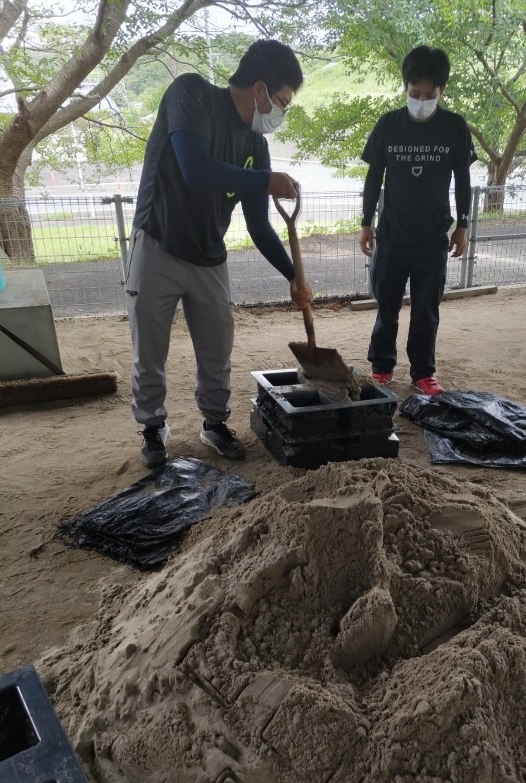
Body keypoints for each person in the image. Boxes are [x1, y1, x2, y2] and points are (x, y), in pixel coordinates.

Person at [126, 39, 313, 468]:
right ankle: (153, 428)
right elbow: (196, 169)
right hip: (159, 241)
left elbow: (259, 224)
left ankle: (214, 423)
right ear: (261, 89)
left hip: (210, 255)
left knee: (217, 350)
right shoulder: (191, 94)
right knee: (150, 349)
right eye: (282, 101)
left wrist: (292, 275)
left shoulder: (255, 145)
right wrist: (266, 181)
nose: (281, 112)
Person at [359, 45, 476, 396]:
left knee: (426, 310)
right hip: (392, 234)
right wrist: (366, 222)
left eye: (429, 94)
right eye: (414, 93)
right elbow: (373, 177)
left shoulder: (454, 127)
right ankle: (381, 367)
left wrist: (463, 225)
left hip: (431, 238)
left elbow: (464, 180)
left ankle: (423, 372)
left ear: (442, 90)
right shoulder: (389, 125)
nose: (421, 99)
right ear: (405, 86)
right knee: (387, 308)